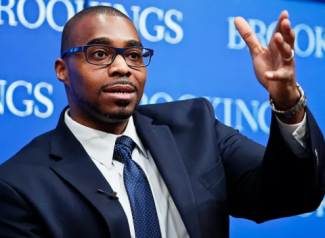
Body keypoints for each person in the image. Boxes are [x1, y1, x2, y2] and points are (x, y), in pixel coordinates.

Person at [0, 6, 323, 238]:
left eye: (135, 55)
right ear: (62, 69)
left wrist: (287, 102)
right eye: (99, 54)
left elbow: (291, 195)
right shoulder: (19, 185)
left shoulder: (197, 127)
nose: (122, 67)